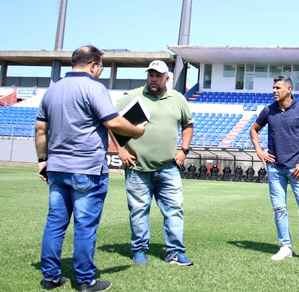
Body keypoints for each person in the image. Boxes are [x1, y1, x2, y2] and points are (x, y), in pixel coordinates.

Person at [35, 46, 146, 292]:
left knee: (55, 223)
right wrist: (138, 130)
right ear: (94, 65)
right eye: (101, 68)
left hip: (57, 167)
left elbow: (40, 130)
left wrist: (43, 160)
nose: (100, 72)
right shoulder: (94, 88)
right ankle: (86, 280)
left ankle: (50, 277)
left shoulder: (52, 90)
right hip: (86, 168)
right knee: (85, 225)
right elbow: (112, 121)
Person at [115, 60, 194, 266]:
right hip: (137, 166)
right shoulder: (133, 97)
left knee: (175, 209)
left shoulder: (177, 99)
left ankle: (175, 252)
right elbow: (111, 122)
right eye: (151, 75)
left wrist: (183, 150)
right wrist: (120, 149)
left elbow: (188, 125)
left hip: (168, 166)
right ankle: (139, 250)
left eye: (158, 75)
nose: (153, 79)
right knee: (139, 209)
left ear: (166, 78)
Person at [250, 75, 299, 265]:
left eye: (278, 88)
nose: (274, 91)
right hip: (275, 169)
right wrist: (259, 151)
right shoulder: (268, 110)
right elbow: (254, 129)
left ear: (289, 89)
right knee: (279, 208)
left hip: (297, 169)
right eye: (273, 88)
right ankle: (285, 247)